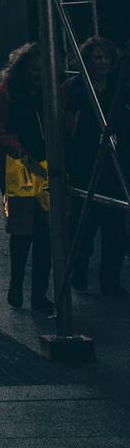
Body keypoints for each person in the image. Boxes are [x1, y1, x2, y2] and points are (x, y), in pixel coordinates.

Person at [0, 41, 52, 311]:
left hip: (43, 166)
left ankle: (37, 293)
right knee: (23, 231)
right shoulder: (7, 93)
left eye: (41, 70)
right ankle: (18, 284)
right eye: (33, 69)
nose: (38, 75)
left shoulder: (49, 94)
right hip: (18, 167)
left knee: (44, 232)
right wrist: (12, 145)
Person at [67, 36, 126, 300]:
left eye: (105, 57)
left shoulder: (118, 90)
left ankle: (110, 281)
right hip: (86, 165)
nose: (102, 62)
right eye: (96, 57)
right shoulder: (78, 90)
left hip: (115, 168)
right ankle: (79, 267)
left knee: (115, 229)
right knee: (85, 223)